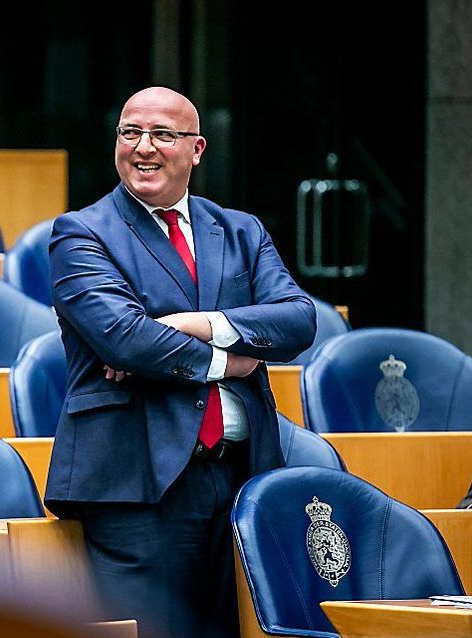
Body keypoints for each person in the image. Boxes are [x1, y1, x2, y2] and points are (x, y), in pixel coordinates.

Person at [44, 87, 317, 638]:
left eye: (163, 135)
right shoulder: (81, 232)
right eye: (130, 133)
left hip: (242, 472)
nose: (143, 148)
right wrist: (232, 359)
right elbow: (124, 339)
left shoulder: (241, 231)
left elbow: (298, 321)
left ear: (196, 149)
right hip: (139, 481)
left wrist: (194, 325)